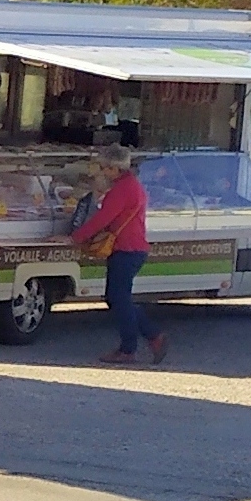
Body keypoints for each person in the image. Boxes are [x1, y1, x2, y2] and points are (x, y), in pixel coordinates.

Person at [69, 146, 168, 366]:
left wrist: (75, 238)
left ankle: (129, 348)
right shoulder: (132, 185)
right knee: (119, 297)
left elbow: (102, 218)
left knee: (118, 298)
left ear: (114, 168)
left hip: (126, 249)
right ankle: (153, 336)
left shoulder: (121, 190)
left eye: (103, 167)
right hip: (133, 248)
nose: (101, 171)